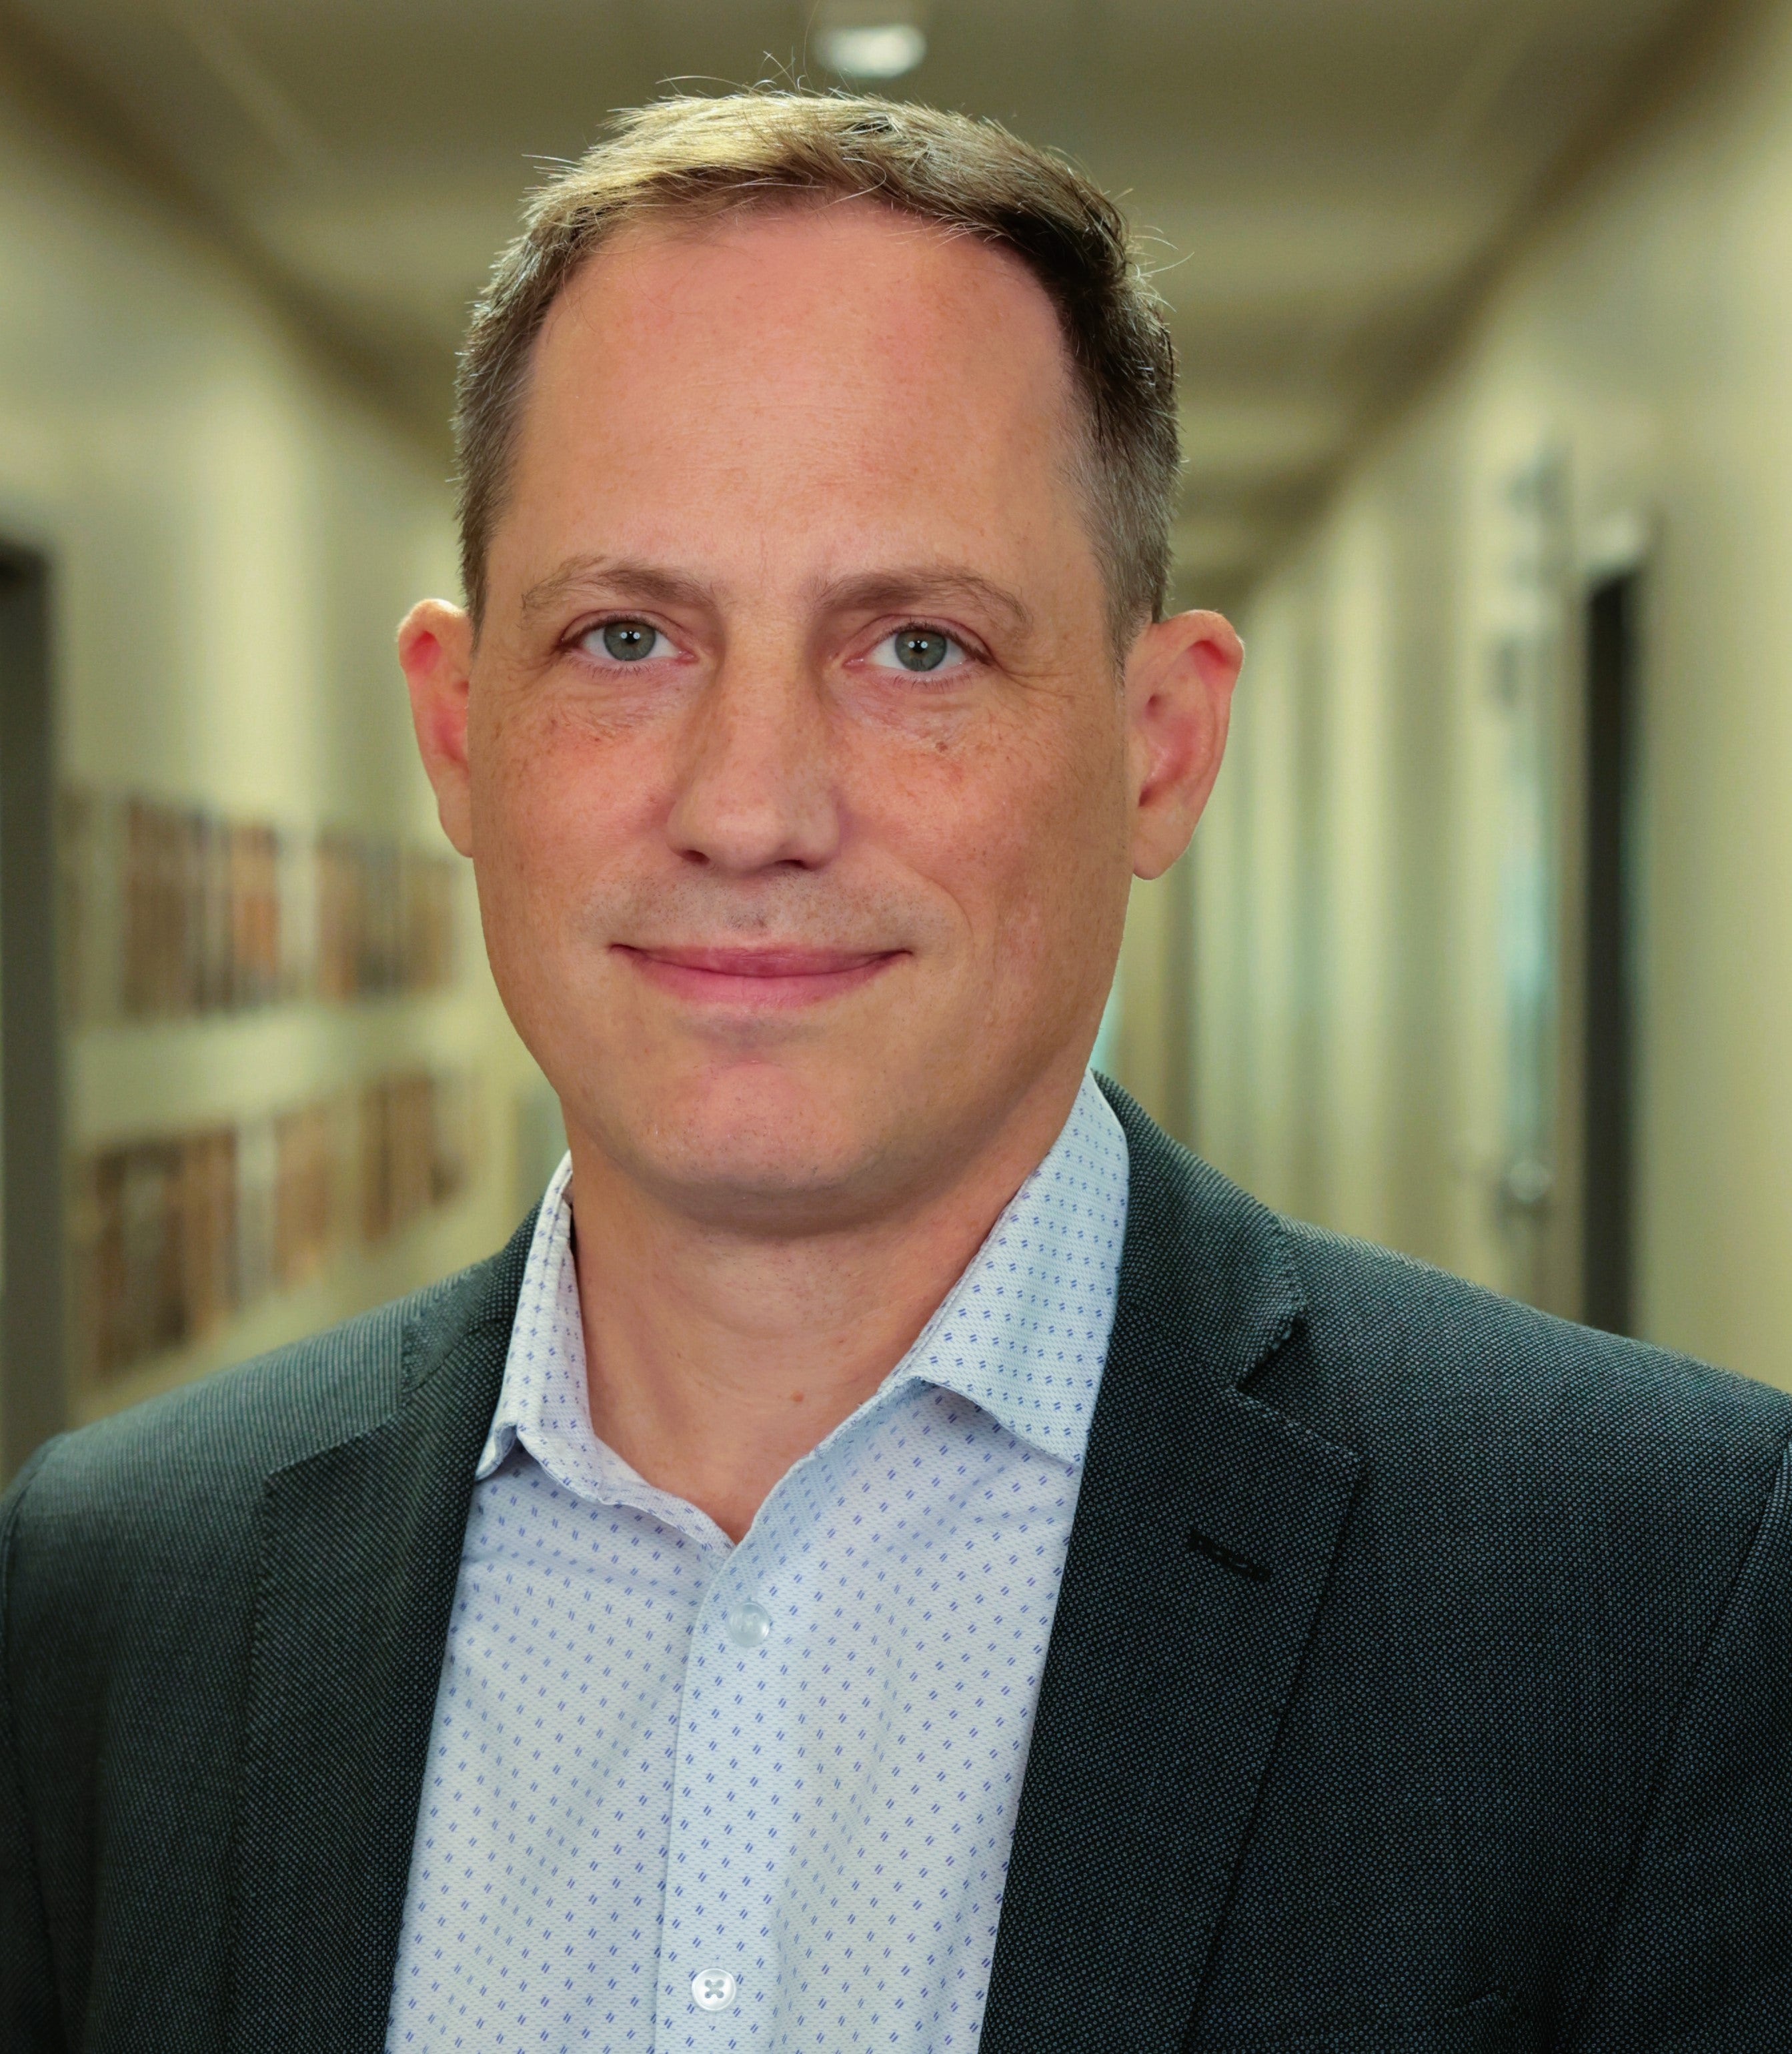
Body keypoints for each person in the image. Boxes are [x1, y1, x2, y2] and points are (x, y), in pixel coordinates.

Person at [3, 90, 1789, 2054]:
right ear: (457, 730)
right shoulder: (115, 1599)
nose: (751, 808)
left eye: (918, 649)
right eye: (624, 637)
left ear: (1161, 746)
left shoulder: (1653, 1590)